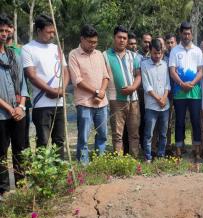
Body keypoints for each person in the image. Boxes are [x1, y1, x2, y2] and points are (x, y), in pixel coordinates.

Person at [22, 14, 69, 158]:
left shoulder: (57, 48)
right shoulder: (28, 49)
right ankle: (42, 174)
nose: (52, 35)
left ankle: (59, 172)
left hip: (59, 102)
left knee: (59, 140)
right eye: (49, 32)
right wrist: (50, 90)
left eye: (53, 32)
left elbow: (66, 70)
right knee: (43, 140)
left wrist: (62, 89)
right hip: (41, 103)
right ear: (39, 30)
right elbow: (32, 75)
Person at [68, 25, 110, 164]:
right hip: (84, 103)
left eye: (95, 42)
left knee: (103, 134)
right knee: (84, 137)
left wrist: (102, 92)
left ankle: (99, 162)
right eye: (90, 42)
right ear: (82, 39)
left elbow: (106, 76)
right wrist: (97, 92)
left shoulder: (99, 54)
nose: (93, 45)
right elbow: (77, 80)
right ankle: (83, 165)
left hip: (102, 103)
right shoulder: (74, 54)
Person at [0, 14, 28, 195]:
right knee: (1, 152)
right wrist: (10, 108)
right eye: (0, 30)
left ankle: (22, 186)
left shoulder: (13, 54)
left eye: (5, 30)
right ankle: (2, 190)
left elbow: (23, 84)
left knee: (21, 150)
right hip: (1, 115)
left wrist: (21, 106)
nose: (4, 34)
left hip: (18, 111)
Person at [104, 25, 141, 157]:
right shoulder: (105, 56)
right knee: (117, 134)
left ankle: (134, 160)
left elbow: (138, 75)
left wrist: (133, 87)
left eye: (124, 38)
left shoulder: (134, 56)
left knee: (134, 133)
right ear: (114, 38)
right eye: (119, 37)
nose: (122, 40)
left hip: (133, 100)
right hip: (115, 100)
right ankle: (119, 162)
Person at [169, 21, 203, 161]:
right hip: (179, 92)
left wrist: (192, 83)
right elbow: (172, 71)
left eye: (189, 33)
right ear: (180, 34)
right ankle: (178, 150)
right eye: (184, 33)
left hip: (195, 92)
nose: (187, 36)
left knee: (196, 121)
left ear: (192, 34)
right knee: (180, 122)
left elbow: (201, 71)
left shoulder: (198, 51)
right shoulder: (174, 51)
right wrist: (181, 83)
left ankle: (197, 151)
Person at [142, 39, 170, 162]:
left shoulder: (165, 64)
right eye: (154, 53)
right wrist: (159, 99)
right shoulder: (144, 65)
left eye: (159, 54)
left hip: (165, 106)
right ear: (150, 51)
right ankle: (148, 157)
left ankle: (160, 155)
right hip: (151, 106)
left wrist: (164, 98)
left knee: (163, 134)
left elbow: (168, 84)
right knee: (149, 134)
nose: (157, 56)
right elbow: (147, 86)